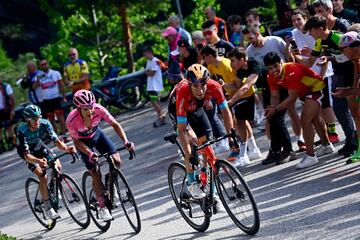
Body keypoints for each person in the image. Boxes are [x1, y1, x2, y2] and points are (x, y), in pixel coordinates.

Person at [168, 64, 236, 198]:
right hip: (178, 110)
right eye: (195, 86)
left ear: (207, 81)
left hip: (196, 109)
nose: (200, 90)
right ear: (189, 84)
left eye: (203, 84)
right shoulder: (182, 91)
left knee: (207, 146)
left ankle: (212, 191)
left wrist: (231, 136)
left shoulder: (214, 86)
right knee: (192, 141)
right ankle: (192, 183)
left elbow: (226, 112)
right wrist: (189, 154)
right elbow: (182, 131)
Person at [66, 90, 134, 221]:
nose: (90, 111)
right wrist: (89, 152)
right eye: (86, 109)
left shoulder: (98, 109)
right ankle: (102, 208)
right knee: (95, 172)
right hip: (83, 143)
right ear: (78, 108)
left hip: (97, 135)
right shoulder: (71, 119)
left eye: (91, 107)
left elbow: (115, 124)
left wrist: (126, 141)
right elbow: (76, 141)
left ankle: (110, 183)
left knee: (117, 161)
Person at [263, 52, 335, 169]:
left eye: (276, 66)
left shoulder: (292, 70)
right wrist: (273, 107)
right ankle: (327, 145)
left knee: (305, 120)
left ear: (281, 62)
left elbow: (292, 98)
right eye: (270, 68)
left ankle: (311, 156)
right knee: (315, 119)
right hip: (304, 92)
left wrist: (276, 109)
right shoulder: (270, 76)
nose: (274, 70)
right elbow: (275, 96)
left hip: (315, 88)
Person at [301, 16, 357, 157]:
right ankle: (351, 140)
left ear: (320, 29)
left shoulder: (339, 37)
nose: (310, 34)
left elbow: (354, 56)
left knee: (355, 109)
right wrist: (293, 55)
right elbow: (310, 62)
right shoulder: (319, 42)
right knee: (338, 108)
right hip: (338, 76)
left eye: (311, 31)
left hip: (352, 74)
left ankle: (355, 141)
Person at [244, 23, 298, 164]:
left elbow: (288, 56)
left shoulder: (274, 41)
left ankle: (289, 149)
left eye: (251, 38)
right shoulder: (250, 51)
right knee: (271, 117)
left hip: (285, 81)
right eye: (248, 40)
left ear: (257, 34)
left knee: (278, 118)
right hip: (268, 84)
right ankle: (275, 150)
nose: (251, 42)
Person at [16, 105, 76, 220]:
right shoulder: (22, 131)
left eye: (38, 117)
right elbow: (26, 155)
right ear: (28, 120)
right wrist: (38, 161)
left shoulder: (45, 124)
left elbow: (56, 141)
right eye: (34, 119)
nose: (37, 121)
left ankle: (53, 187)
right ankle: (48, 208)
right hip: (28, 154)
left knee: (57, 164)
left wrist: (67, 149)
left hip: (39, 147)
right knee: (42, 175)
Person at [290, 9, 340, 144]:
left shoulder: (317, 33)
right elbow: (308, 60)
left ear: (306, 19)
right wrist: (295, 54)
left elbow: (323, 53)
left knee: (326, 105)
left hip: (324, 72)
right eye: (293, 20)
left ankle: (333, 132)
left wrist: (321, 75)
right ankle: (326, 135)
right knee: (317, 107)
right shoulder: (293, 35)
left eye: (299, 19)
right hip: (309, 74)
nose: (296, 22)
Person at [226, 47, 263, 162]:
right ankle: (246, 154)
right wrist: (223, 85)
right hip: (262, 91)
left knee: (271, 122)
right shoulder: (241, 70)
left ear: (242, 59)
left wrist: (231, 102)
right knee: (240, 121)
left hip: (270, 90)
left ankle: (274, 150)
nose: (231, 64)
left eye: (233, 60)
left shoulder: (253, 64)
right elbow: (237, 85)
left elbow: (245, 87)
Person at [332, 31, 360, 162]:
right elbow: (357, 79)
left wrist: (349, 92)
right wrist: (351, 91)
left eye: (342, 49)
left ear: (352, 47)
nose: (342, 53)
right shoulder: (355, 60)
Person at [34, 59, 67, 140]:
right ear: (40, 67)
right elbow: (34, 87)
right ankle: (57, 137)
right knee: (51, 120)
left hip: (56, 98)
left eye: (45, 64)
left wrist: (64, 96)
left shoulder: (55, 73)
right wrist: (38, 80)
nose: (44, 66)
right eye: (42, 65)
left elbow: (61, 85)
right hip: (46, 100)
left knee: (60, 117)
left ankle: (65, 135)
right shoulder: (39, 76)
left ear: (48, 64)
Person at [143, 46, 166, 127]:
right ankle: (160, 116)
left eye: (146, 54)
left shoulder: (155, 61)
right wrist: (148, 72)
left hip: (155, 85)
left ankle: (161, 116)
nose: (145, 56)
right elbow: (147, 72)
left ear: (150, 53)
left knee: (154, 101)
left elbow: (152, 72)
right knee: (157, 101)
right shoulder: (148, 62)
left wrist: (148, 72)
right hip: (151, 85)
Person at [0, 78, 15, 153]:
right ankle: (2, 146)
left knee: (9, 126)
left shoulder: (5, 86)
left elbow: (12, 98)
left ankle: (11, 143)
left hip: (6, 109)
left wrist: (12, 110)